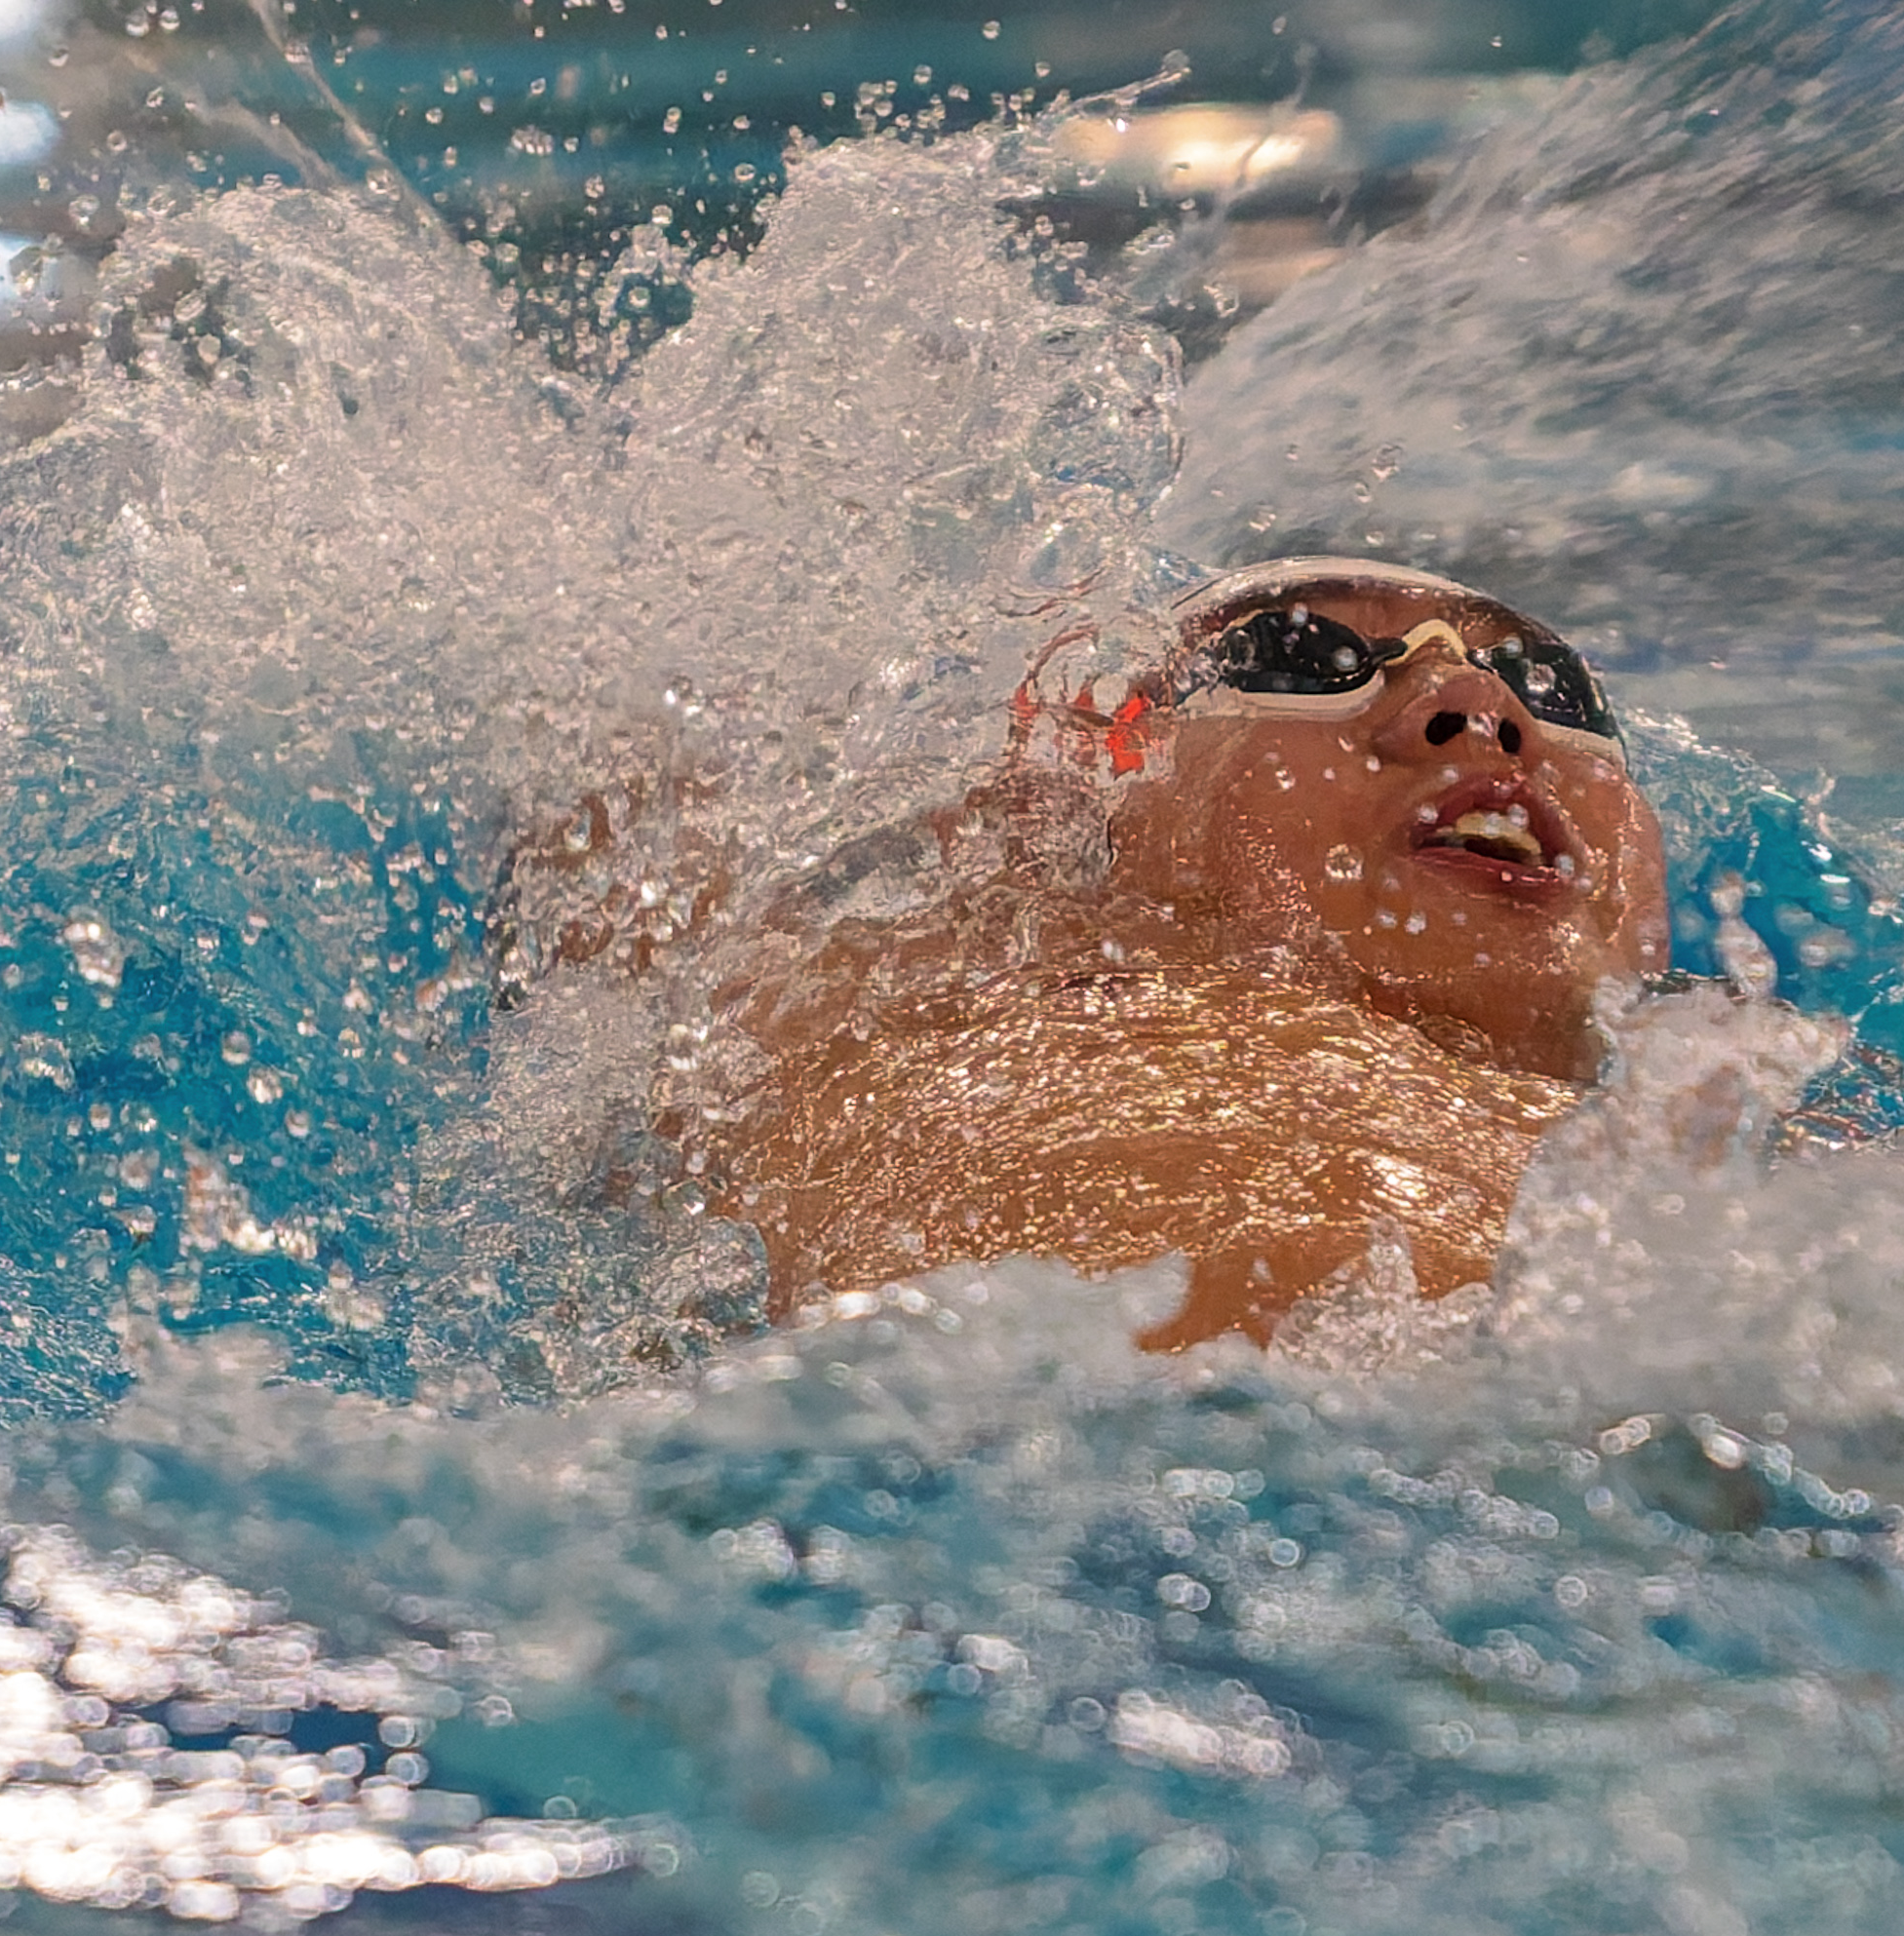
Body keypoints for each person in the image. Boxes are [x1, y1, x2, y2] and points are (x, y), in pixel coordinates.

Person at [510, 561, 1670, 1350]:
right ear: (1096, 770)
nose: (1479, 707)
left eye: (1552, 688)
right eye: (1306, 655)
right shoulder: (916, 971)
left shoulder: (1721, 1114)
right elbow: (607, 851)